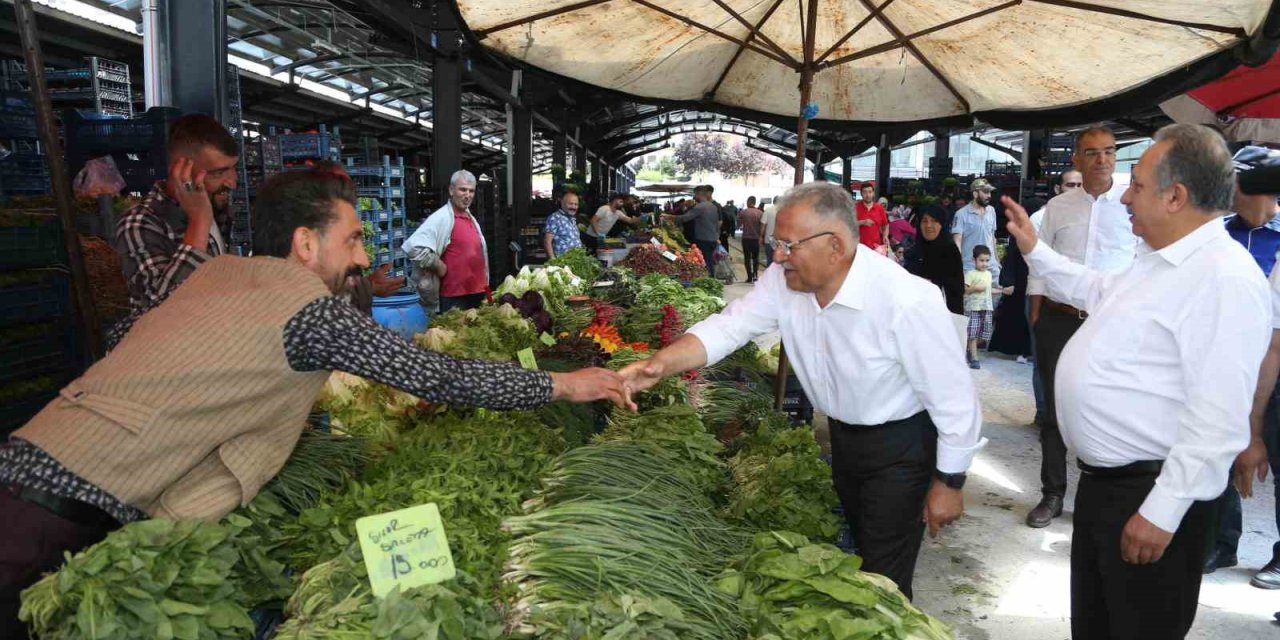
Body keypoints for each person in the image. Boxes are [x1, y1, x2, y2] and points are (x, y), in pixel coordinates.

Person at [0, 169, 634, 638]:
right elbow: (439, 376)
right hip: (63, 504)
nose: (363, 254)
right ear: (306, 244)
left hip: (30, 455)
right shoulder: (307, 311)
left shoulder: (219, 274)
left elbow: (127, 336)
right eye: (353, 239)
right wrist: (565, 385)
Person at [623, 181, 986, 599]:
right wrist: (659, 365)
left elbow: (955, 399)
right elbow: (730, 326)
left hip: (901, 447)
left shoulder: (906, 300)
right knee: (863, 548)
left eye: (788, 245)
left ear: (835, 246)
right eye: (776, 244)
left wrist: (949, 482)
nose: (777, 256)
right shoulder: (785, 281)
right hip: (844, 438)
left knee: (884, 575)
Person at [1005, 123, 1271, 640]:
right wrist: (1037, 249)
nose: (1125, 196)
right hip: (1109, 489)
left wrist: (1163, 512)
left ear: (1176, 196)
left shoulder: (1223, 278)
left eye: (1139, 186)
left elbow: (1218, 418)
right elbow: (1094, 288)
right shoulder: (1158, 263)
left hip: (1151, 494)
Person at [1024, 126, 1139, 529]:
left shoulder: (1131, 205)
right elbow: (1038, 261)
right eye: (1092, 152)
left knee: (1109, 407)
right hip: (1058, 319)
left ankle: (1105, 496)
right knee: (1054, 410)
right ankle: (1052, 493)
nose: (1102, 160)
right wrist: (1036, 312)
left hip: (1111, 322)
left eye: (1109, 151)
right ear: (1076, 159)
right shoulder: (1058, 207)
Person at [1205, 146, 1280, 578]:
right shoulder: (1217, 234)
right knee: (1220, 449)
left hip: (1275, 362)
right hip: (1225, 360)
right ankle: (1221, 542)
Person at [115, 114, 239, 312]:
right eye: (218, 172)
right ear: (181, 171)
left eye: (233, 169)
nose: (232, 182)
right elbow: (157, 308)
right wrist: (199, 222)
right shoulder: (140, 222)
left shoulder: (217, 207)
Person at [403, 170, 489, 314]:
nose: (467, 195)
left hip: (477, 292)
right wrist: (437, 264)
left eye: (471, 191)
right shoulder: (441, 217)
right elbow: (413, 247)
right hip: (454, 296)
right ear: (451, 190)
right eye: (463, 190)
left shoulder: (470, 218)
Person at [988, 197, 1042, 363]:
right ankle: (1024, 351)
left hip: (1026, 278)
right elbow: (1012, 256)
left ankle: (1026, 350)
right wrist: (1009, 280)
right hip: (1022, 279)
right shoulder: (1021, 230)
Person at [904, 204, 964, 315]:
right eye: (924, 221)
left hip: (940, 313)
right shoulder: (915, 251)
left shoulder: (949, 250)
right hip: (914, 312)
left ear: (942, 224)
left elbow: (955, 291)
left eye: (934, 221)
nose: (928, 225)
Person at [952, 178, 1000, 281]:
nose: (989, 196)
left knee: (997, 290)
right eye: (986, 192)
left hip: (990, 266)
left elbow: (992, 237)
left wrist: (997, 261)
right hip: (970, 267)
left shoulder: (991, 211)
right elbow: (957, 242)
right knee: (972, 291)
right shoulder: (961, 214)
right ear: (975, 194)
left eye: (990, 192)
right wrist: (957, 265)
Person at [667, 185, 721, 277]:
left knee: (704, 262)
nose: (694, 197)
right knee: (710, 261)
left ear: (699, 194)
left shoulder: (700, 207)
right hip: (713, 238)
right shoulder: (713, 206)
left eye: (695, 194)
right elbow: (717, 223)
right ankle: (711, 277)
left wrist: (670, 217)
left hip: (703, 238)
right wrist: (717, 237)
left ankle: (708, 279)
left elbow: (685, 218)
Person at [963, 245, 1001, 370]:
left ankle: (967, 348)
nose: (984, 263)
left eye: (987, 260)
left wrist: (1003, 291)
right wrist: (975, 288)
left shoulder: (988, 274)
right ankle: (974, 358)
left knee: (984, 335)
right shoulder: (970, 274)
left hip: (986, 308)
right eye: (981, 260)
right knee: (973, 333)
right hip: (974, 308)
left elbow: (988, 290)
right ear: (974, 260)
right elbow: (965, 290)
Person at [543, 191, 583, 259]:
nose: (573, 207)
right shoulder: (555, 217)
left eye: (576, 204)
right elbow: (547, 241)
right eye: (570, 204)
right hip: (562, 262)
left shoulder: (572, 219)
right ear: (562, 203)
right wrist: (553, 261)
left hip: (575, 261)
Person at [738, 196, 764, 283]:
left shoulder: (743, 212)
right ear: (755, 202)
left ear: (749, 202)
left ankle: (749, 277)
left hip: (746, 238)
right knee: (755, 258)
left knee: (747, 258)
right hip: (756, 239)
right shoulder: (760, 213)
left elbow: (739, 223)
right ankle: (755, 275)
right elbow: (762, 226)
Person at [856, 183, 890, 248]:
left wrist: (885, 236)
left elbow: (885, 224)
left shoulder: (880, 209)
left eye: (870, 192)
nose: (868, 195)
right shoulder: (855, 208)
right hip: (858, 247)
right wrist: (862, 222)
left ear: (873, 193)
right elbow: (848, 225)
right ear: (861, 194)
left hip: (875, 247)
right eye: (865, 192)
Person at [762, 199, 779, 267]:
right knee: (778, 262)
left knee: (769, 260)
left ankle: (769, 271)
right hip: (780, 241)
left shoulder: (768, 210)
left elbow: (763, 225)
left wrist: (761, 236)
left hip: (769, 239)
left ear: (773, 201)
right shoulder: (784, 210)